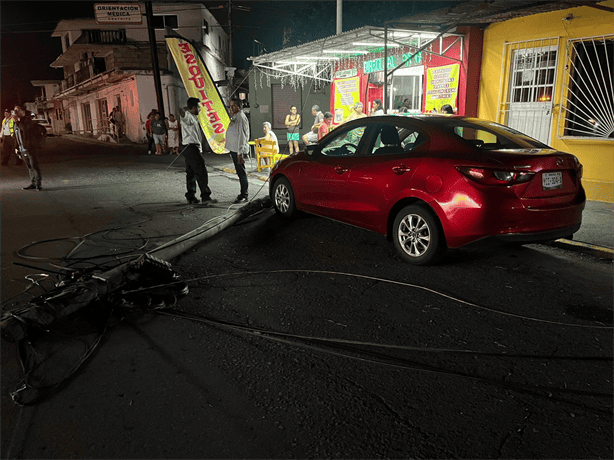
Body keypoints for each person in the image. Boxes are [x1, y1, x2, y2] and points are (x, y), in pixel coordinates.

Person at [178, 97, 216, 205]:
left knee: (190, 172)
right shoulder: (188, 116)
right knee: (201, 170)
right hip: (190, 147)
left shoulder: (194, 117)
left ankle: (191, 196)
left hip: (190, 147)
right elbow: (182, 114)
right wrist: (184, 110)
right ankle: (205, 196)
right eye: (198, 107)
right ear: (194, 107)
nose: (200, 109)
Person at [13, 105, 44, 191]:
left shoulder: (27, 120)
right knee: (29, 167)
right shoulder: (16, 123)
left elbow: (24, 128)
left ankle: (38, 184)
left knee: (34, 165)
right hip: (22, 148)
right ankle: (33, 183)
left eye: (17, 110)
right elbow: (16, 135)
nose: (15, 112)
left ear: (22, 112)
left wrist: (17, 122)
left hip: (30, 147)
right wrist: (16, 147)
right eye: (15, 110)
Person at [227, 97, 250, 203]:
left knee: (241, 172)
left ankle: (244, 194)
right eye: (230, 106)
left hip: (238, 150)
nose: (231, 108)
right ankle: (243, 193)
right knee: (239, 172)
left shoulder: (240, 117)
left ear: (238, 107)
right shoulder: (236, 116)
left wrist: (240, 153)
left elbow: (242, 136)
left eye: (233, 106)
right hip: (235, 149)